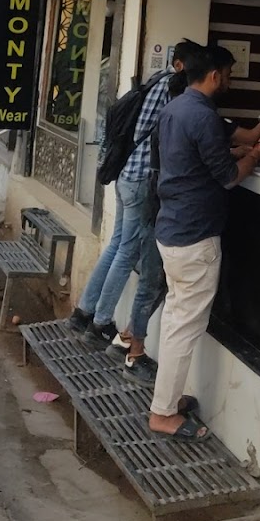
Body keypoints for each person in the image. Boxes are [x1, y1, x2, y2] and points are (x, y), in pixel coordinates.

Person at [148, 44, 260, 440]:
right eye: (228, 75)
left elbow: (195, 159)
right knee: (184, 326)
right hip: (194, 235)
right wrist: (256, 155)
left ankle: (168, 398)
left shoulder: (176, 108)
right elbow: (228, 177)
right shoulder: (202, 115)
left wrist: (240, 152)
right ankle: (163, 413)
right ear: (215, 75)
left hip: (172, 228)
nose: (229, 82)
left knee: (175, 320)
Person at [68, 39, 201, 349]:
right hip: (141, 179)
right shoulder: (173, 88)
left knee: (117, 245)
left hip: (126, 174)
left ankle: (83, 312)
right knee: (127, 251)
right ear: (180, 65)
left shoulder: (154, 81)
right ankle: (100, 322)